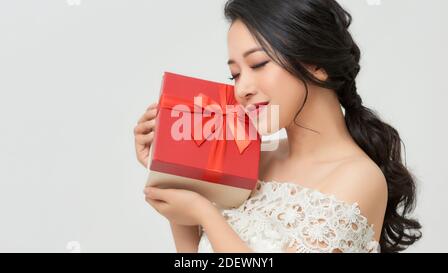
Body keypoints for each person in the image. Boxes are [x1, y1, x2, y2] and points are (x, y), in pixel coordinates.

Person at [134, 0, 421, 253]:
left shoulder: (360, 178)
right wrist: (169, 170)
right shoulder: (255, 155)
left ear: (316, 63)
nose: (241, 88)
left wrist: (204, 214)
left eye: (258, 64)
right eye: (234, 74)